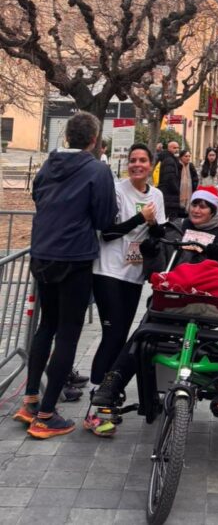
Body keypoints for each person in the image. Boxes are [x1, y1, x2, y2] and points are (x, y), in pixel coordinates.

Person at [90, 185, 218, 427]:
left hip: (208, 302)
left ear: (213, 210)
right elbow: (158, 270)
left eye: (204, 206)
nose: (197, 210)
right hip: (175, 298)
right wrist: (151, 253)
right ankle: (114, 381)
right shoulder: (175, 229)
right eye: (195, 204)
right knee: (143, 333)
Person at [14, 111, 117, 439]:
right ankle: (46, 416)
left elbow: (38, 197)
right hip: (74, 257)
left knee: (46, 326)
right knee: (68, 334)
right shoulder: (97, 170)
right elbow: (105, 218)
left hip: (43, 253)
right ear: (94, 140)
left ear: (67, 136)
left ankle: (30, 400)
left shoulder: (48, 165)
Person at [84, 143, 166, 436]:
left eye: (143, 160)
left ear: (151, 164)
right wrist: (140, 219)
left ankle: (109, 394)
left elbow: (159, 234)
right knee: (112, 335)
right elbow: (107, 231)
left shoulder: (156, 195)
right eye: (133, 160)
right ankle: (94, 404)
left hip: (133, 274)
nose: (137, 165)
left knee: (121, 336)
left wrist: (153, 225)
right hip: (107, 271)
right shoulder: (117, 191)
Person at [157, 140, 182, 219]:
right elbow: (170, 178)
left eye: (178, 148)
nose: (177, 150)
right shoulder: (169, 160)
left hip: (167, 195)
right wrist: (178, 190)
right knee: (170, 219)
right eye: (174, 148)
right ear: (169, 149)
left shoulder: (169, 159)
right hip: (169, 195)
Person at [179, 149, 199, 215]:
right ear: (181, 157)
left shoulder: (191, 166)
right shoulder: (178, 166)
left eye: (189, 156)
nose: (188, 158)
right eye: (186, 156)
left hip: (190, 192)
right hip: (178, 193)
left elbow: (195, 178)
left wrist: (194, 187)